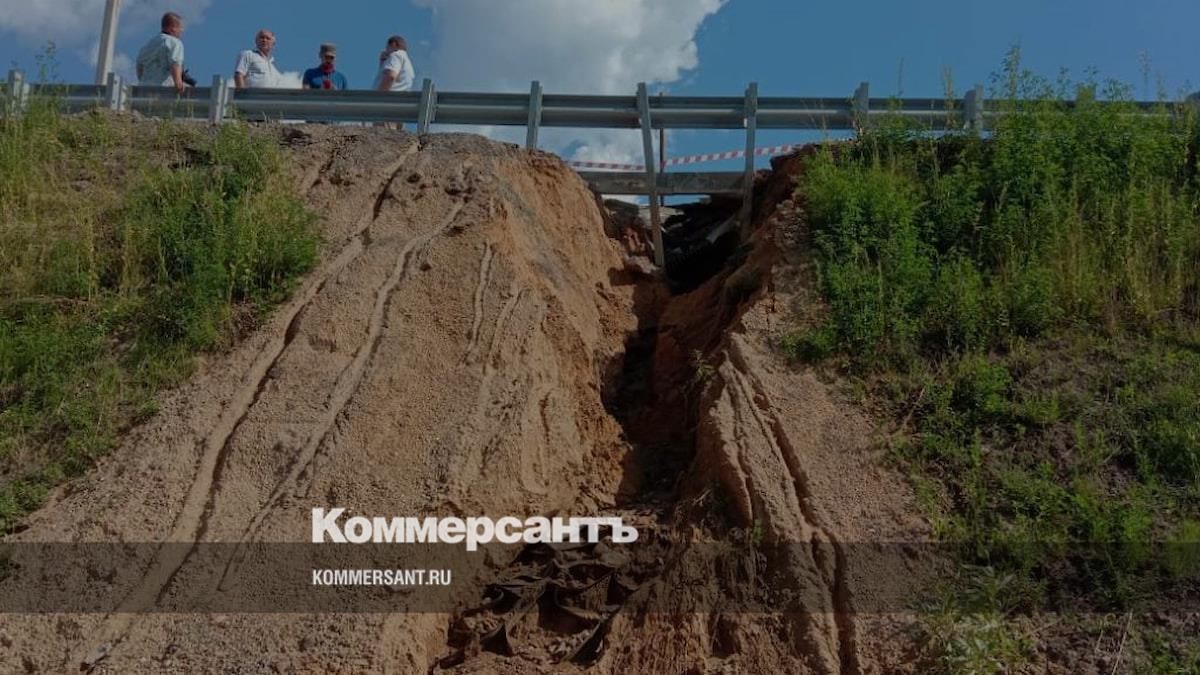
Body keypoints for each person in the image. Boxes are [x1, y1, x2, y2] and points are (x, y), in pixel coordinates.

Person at [135, 12, 187, 93]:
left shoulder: (148, 45)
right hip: (163, 90)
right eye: (180, 28)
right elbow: (175, 63)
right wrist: (178, 82)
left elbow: (139, 67)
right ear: (172, 28)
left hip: (143, 89)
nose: (182, 30)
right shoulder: (175, 43)